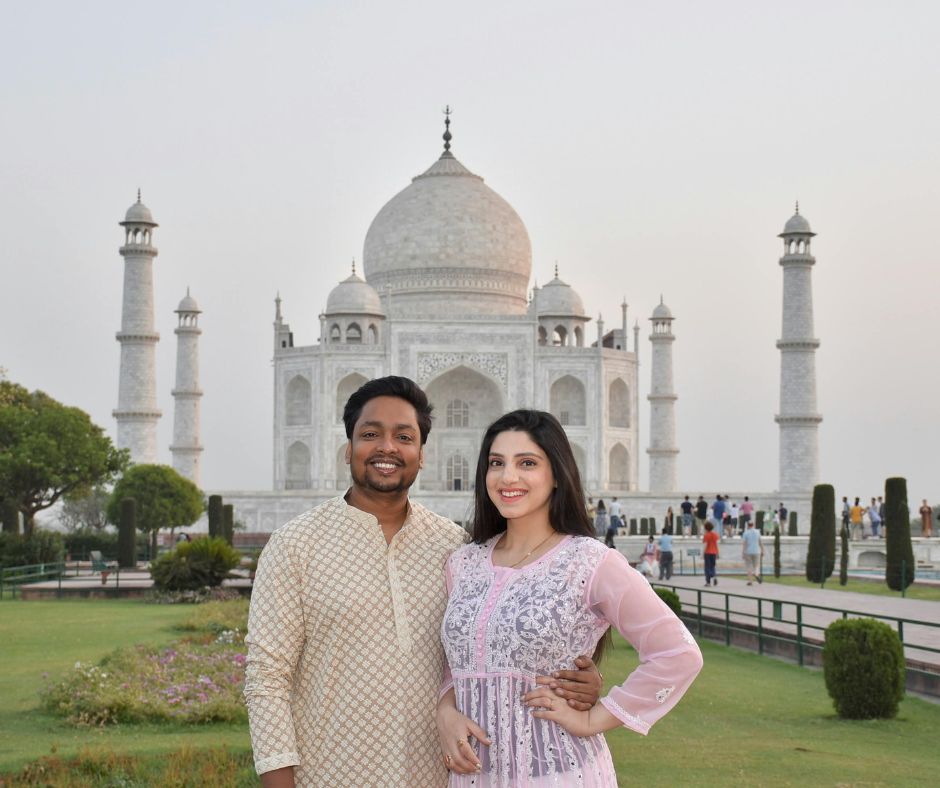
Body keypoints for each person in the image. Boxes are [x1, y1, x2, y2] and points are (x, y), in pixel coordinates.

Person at [244, 378, 602, 787]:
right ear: (348, 448)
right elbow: (266, 677)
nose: (387, 448)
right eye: (370, 434)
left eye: (404, 437)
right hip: (327, 776)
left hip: (440, 776)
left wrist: (579, 682)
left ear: (422, 454)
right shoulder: (296, 545)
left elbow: (503, 640)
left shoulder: (455, 548)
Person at [436, 410, 702, 785]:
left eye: (527, 463)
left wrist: (595, 718)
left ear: (557, 474)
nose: (508, 477)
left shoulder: (588, 562)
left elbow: (677, 652)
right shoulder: (464, 564)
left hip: (560, 772)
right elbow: (458, 661)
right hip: (476, 776)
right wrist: (445, 710)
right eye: (497, 463)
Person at [741, 520, 763, 585]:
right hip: (756, 551)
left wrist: (743, 552)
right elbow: (760, 542)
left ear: (748, 525)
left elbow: (744, 544)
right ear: (753, 525)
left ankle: (750, 581)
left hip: (748, 551)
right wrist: (762, 550)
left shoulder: (745, 533)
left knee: (749, 566)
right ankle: (756, 574)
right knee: (756, 565)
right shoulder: (757, 532)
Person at [702, 521, 719, 586]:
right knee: (712, 566)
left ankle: (708, 582)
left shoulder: (706, 535)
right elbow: (716, 544)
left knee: (707, 567)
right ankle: (714, 576)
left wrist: (702, 553)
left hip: (707, 553)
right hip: (714, 552)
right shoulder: (715, 534)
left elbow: (705, 545)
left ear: (706, 528)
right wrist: (718, 553)